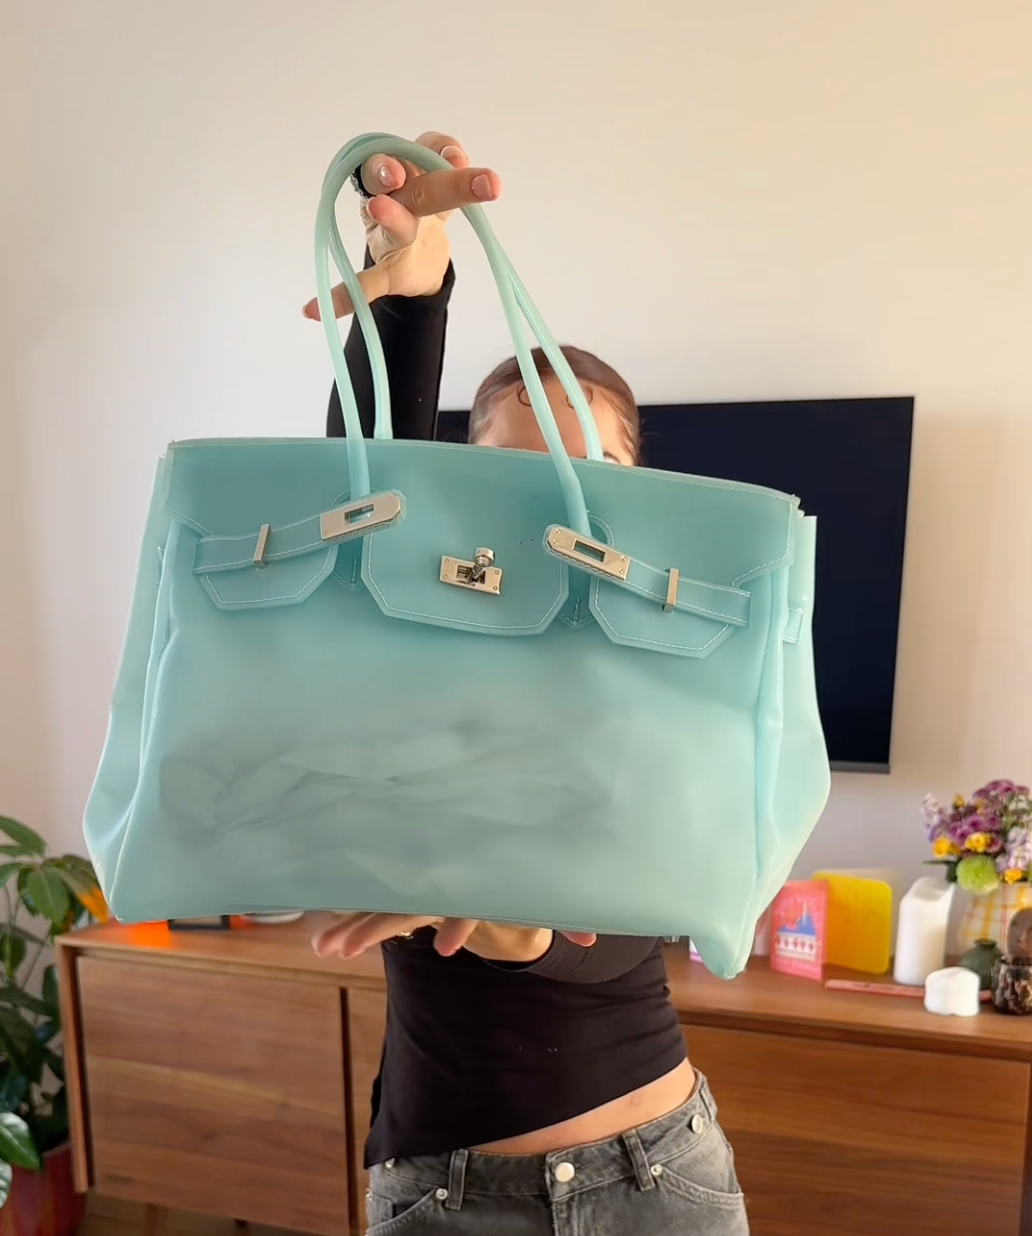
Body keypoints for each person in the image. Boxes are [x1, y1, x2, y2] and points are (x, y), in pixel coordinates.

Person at [303, 132, 748, 1236]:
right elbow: (366, 501)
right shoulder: (416, 646)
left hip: (654, 1178)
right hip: (436, 1191)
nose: (547, 504)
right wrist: (414, 294)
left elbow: (650, 915)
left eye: (584, 471)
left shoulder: (670, 659)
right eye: (504, 473)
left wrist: (521, 920)